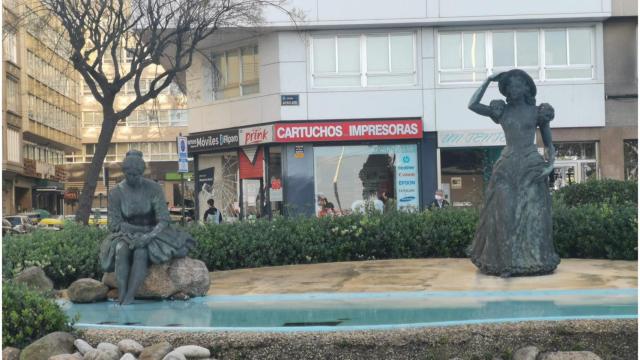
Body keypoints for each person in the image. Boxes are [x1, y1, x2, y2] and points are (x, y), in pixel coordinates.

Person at [467, 69, 560, 277]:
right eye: (509, 86)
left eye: (517, 85)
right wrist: (488, 80)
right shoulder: (502, 111)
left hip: (531, 166)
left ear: (527, 87)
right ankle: (505, 263)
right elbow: (472, 105)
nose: (513, 89)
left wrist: (550, 164)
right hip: (507, 166)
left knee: (533, 215)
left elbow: (549, 143)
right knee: (504, 214)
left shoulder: (538, 112)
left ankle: (535, 260)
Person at [99, 150, 195, 305]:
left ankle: (130, 296)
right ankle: (122, 294)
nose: (133, 178)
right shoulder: (116, 192)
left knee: (141, 252)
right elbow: (114, 224)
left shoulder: (154, 189)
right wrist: (135, 233)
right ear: (124, 172)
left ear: (142, 173)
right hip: (126, 233)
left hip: (153, 233)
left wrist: (148, 236)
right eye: (129, 174)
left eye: (136, 174)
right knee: (121, 249)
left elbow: (164, 220)